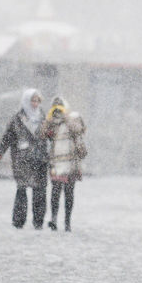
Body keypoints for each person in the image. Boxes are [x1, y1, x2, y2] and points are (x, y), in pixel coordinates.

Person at [0, 88, 48, 229]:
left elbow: (51, 137)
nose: (35, 104)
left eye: (37, 101)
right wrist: (0, 153)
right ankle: (18, 221)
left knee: (40, 191)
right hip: (22, 160)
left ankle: (38, 222)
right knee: (22, 189)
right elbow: (8, 137)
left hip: (40, 159)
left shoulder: (44, 118)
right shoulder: (17, 119)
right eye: (33, 101)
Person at [41, 96, 87, 232]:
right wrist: (48, 120)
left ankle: (67, 222)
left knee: (69, 193)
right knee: (55, 192)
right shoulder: (52, 122)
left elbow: (78, 130)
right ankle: (54, 219)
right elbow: (42, 135)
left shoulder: (73, 118)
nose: (57, 110)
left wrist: (66, 117)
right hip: (57, 163)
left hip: (71, 163)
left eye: (60, 107)